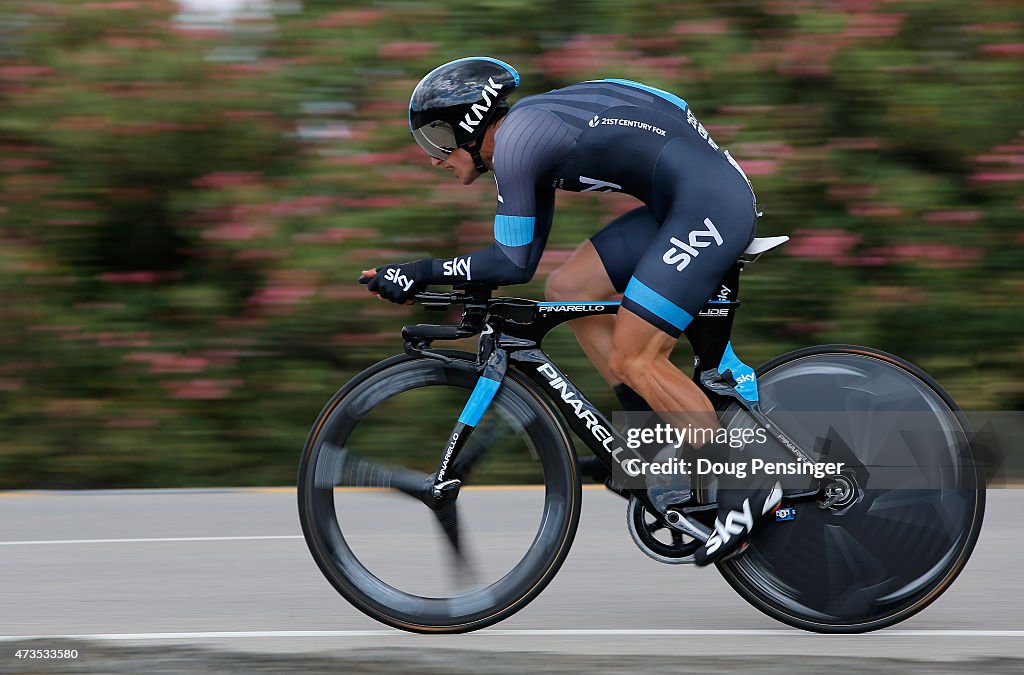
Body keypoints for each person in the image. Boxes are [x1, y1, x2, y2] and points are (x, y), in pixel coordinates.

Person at [360, 57, 780, 565]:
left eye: (436, 140)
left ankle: (750, 486)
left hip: (707, 205)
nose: (434, 157)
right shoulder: (526, 139)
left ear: (470, 122)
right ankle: (650, 436)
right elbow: (525, 261)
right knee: (569, 286)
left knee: (636, 358)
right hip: (687, 201)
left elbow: (509, 263)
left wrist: (418, 271)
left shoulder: (518, 142)